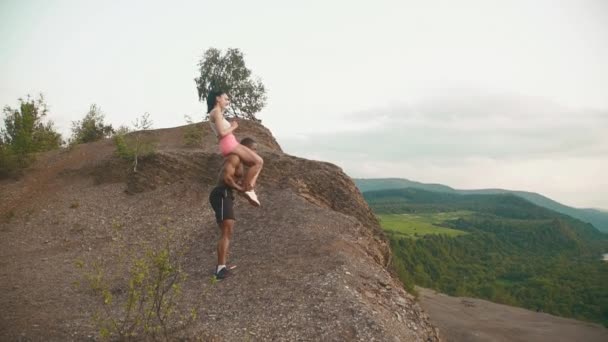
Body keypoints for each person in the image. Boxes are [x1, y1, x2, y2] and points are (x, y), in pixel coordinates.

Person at [209, 138, 258, 279]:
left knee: (227, 233)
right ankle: (220, 270)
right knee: (226, 231)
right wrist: (241, 189)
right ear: (246, 148)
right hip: (222, 193)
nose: (255, 152)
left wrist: (246, 193)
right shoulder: (235, 157)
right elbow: (227, 179)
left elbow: (235, 183)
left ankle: (222, 265)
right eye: (254, 149)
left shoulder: (241, 162)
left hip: (226, 194)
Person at [207, 90, 263, 207]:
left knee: (257, 164)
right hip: (229, 144)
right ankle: (247, 188)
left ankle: (249, 188)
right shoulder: (216, 112)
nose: (228, 101)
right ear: (218, 99)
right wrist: (233, 127)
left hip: (229, 143)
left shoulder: (217, 113)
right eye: (226, 99)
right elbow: (222, 133)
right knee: (258, 162)